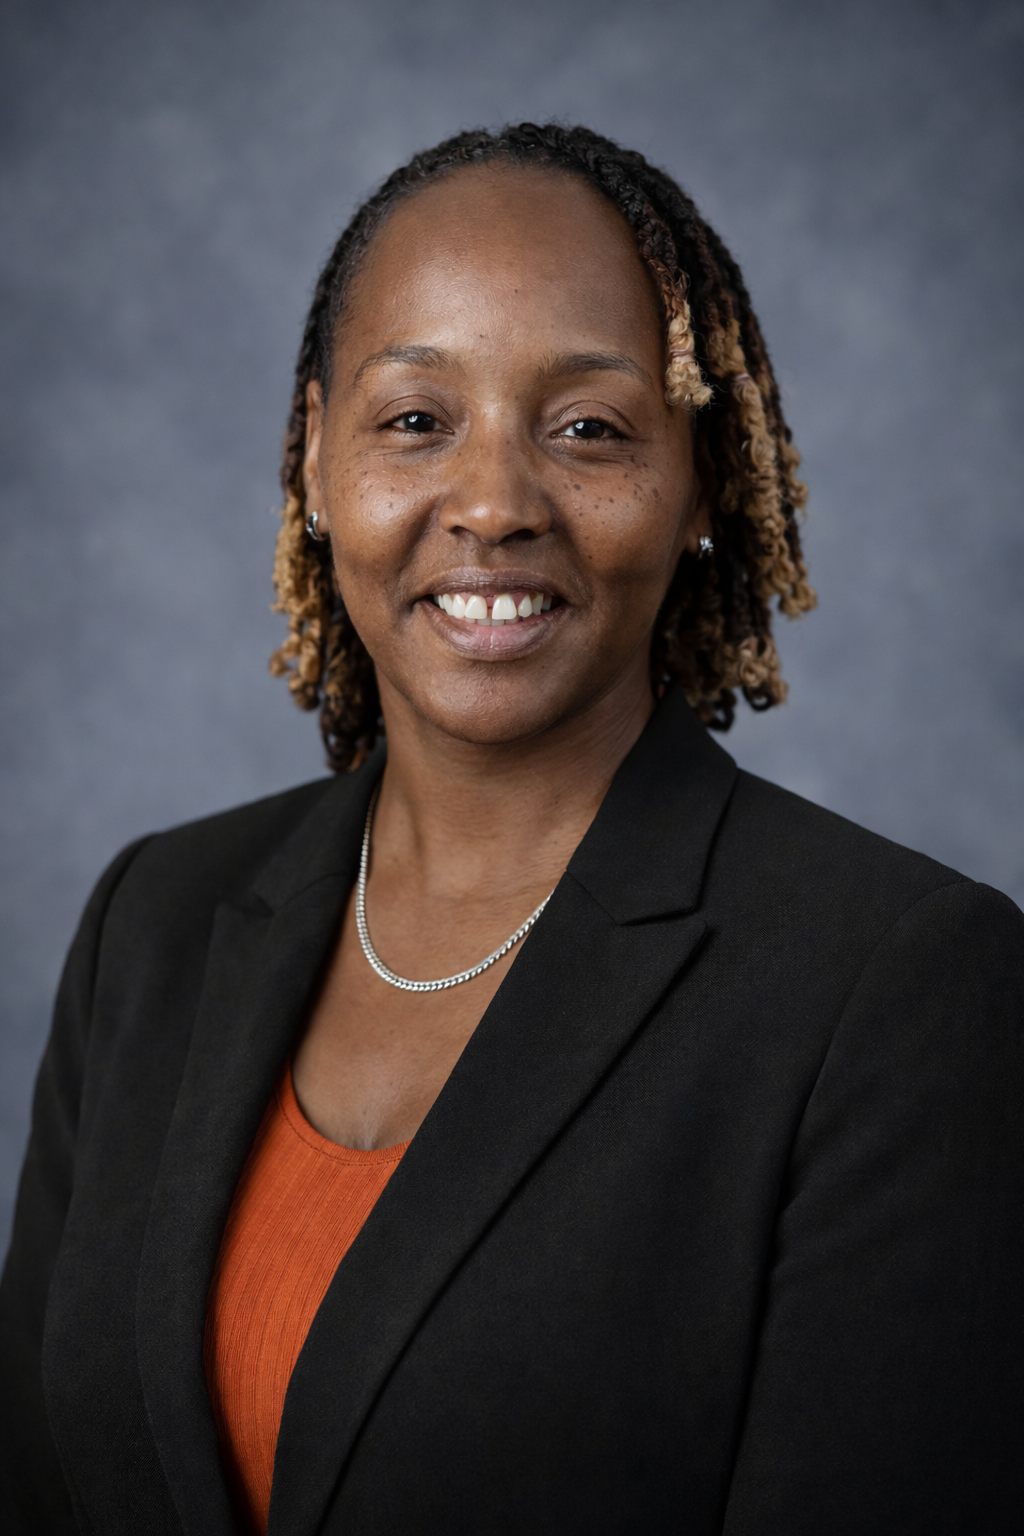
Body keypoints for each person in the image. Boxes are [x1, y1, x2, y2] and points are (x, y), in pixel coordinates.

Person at [1, 123, 1020, 1536]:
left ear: (704, 482)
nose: (491, 504)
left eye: (589, 428)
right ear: (312, 458)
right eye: (416, 420)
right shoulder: (156, 921)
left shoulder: (899, 988)